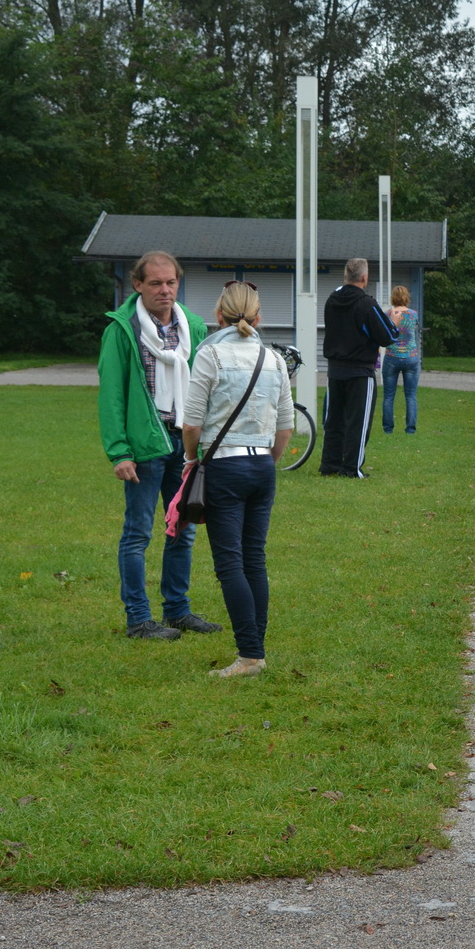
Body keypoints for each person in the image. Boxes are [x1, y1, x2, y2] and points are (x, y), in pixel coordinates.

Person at [96, 250, 222, 641]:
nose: (164, 290)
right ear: (138, 285)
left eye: (170, 283)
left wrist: (205, 443)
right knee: (137, 533)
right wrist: (119, 452)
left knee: (182, 530)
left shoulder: (193, 327)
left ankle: (177, 611)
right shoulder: (123, 330)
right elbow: (112, 394)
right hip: (144, 447)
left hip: (185, 444)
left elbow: (208, 388)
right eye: (155, 283)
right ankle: (138, 619)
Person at [180, 282, 295, 678]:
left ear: (218, 316)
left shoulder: (210, 355)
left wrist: (192, 459)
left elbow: (191, 423)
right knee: (253, 559)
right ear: (259, 317)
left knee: (230, 564)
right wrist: (269, 460)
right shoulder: (274, 358)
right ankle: (254, 649)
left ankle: (250, 655)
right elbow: (286, 426)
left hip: (224, 468)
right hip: (262, 466)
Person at [319, 258, 397, 478]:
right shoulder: (366, 304)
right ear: (364, 277)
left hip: (334, 369)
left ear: (345, 276)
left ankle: (329, 464)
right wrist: (394, 324)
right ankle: (351, 468)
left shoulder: (332, 300)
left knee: (334, 419)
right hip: (360, 370)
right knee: (358, 421)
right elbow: (387, 336)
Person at [382, 285, 421, 435]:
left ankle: (388, 429)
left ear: (393, 297)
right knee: (411, 395)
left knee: (389, 395)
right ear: (406, 298)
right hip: (411, 357)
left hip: (392, 357)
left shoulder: (388, 314)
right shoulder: (414, 314)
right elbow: (415, 329)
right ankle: (410, 429)